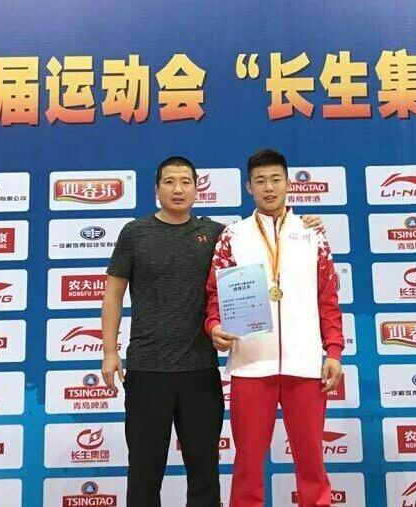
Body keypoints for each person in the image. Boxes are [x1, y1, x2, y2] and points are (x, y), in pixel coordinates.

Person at [100, 155, 325, 506]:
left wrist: (307, 224)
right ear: (156, 189)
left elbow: (261, 244)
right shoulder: (135, 233)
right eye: (169, 182)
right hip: (146, 369)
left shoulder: (221, 235)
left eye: (185, 182)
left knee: (204, 471)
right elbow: (113, 293)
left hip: (201, 371)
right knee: (144, 470)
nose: (178, 189)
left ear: (197, 189)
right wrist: (109, 351)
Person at [204, 148, 344, 507]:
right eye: (261, 181)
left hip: (304, 365)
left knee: (311, 462)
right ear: (249, 186)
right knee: (248, 463)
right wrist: (214, 325)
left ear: (288, 183)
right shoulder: (233, 236)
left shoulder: (311, 234)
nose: (269, 188)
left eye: (275, 180)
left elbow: (328, 298)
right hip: (251, 365)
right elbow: (216, 293)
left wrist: (333, 351)